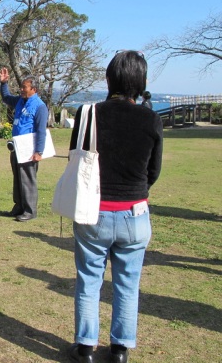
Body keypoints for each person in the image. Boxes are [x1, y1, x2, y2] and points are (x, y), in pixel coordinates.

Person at [68, 51, 163, 363]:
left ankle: (85, 347)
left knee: (89, 281)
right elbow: (153, 172)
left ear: (108, 79)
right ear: (142, 82)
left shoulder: (88, 114)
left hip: (93, 211)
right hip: (134, 213)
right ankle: (120, 348)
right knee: (127, 284)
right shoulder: (151, 119)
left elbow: (76, 158)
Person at [0, 68, 48, 221]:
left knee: (27, 179)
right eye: (21, 87)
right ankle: (19, 206)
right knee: (18, 178)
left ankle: (29, 210)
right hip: (17, 146)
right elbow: (6, 97)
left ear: (34, 89)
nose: (21, 89)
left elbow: (41, 131)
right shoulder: (20, 100)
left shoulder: (40, 106)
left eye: (24, 87)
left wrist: (39, 151)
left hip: (29, 148)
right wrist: (4, 83)